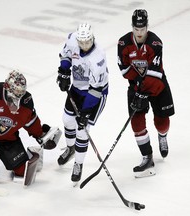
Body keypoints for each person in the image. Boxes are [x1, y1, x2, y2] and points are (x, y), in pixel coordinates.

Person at [117, 9, 175, 177]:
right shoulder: (123, 43)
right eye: (136, 29)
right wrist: (139, 88)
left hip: (157, 85)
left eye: (142, 29)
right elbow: (124, 69)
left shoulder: (155, 43)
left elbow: (154, 72)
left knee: (162, 122)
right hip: (136, 86)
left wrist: (143, 90)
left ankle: (162, 136)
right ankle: (147, 156)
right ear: (132, 27)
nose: (139, 32)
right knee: (136, 122)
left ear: (147, 27)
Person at [56, 23, 109, 183]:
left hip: (95, 94)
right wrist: (64, 72)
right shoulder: (73, 40)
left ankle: (78, 163)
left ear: (93, 38)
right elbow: (65, 55)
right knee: (67, 120)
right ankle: (71, 148)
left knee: (82, 130)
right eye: (82, 42)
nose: (85, 45)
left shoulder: (98, 57)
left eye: (88, 42)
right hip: (77, 89)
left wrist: (86, 112)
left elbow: (96, 89)